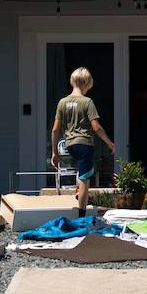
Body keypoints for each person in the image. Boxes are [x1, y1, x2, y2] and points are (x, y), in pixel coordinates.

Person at [50, 66, 116, 215]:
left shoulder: (62, 102)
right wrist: (109, 143)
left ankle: (80, 192)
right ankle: (82, 214)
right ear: (86, 83)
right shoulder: (87, 102)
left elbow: (55, 130)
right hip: (85, 144)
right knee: (86, 178)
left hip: (70, 145)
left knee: (83, 172)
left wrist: (54, 152)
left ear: (72, 82)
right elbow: (97, 127)